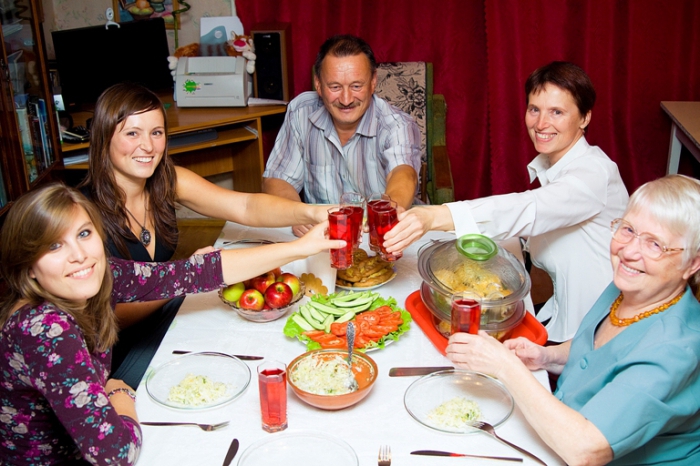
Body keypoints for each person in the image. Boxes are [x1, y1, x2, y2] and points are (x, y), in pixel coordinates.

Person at [0, 183, 342, 465]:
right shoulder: (44, 329)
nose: (79, 255)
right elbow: (115, 453)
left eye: (84, 233)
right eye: (55, 245)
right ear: (28, 266)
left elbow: (194, 273)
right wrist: (117, 392)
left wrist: (299, 248)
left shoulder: (99, 273)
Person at [79, 82, 331, 388]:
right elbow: (107, 316)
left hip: (168, 314)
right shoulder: (82, 216)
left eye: (156, 133)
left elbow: (246, 205)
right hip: (118, 351)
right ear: (104, 136)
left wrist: (314, 212)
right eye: (132, 133)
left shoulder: (165, 179)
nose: (147, 146)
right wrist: (184, 278)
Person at [446, 174, 700, 465]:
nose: (629, 252)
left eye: (655, 245)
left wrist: (506, 367)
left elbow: (585, 450)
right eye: (628, 229)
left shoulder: (675, 350)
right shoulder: (635, 286)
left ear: (692, 263)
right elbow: (602, 349)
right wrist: (547, 356)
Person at [385, 61, 629, 342]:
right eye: (534, 109)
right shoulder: (557, 167)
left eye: (557, 112)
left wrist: (432, 216)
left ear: (585, 118)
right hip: (558, 313)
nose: (540, 124)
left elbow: (530, 208)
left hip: (594, 329)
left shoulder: (594, 172)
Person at [262, 34, 422, 236]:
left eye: (356, 86)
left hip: (384, 231)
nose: (346, 99)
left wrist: (387, 215)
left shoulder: (397, 125)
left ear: (373, 82)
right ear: (318, 85)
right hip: (323, 235)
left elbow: (404, 175)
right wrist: (299, 214)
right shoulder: (300, 111)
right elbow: (277, 179)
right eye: (335, 87)